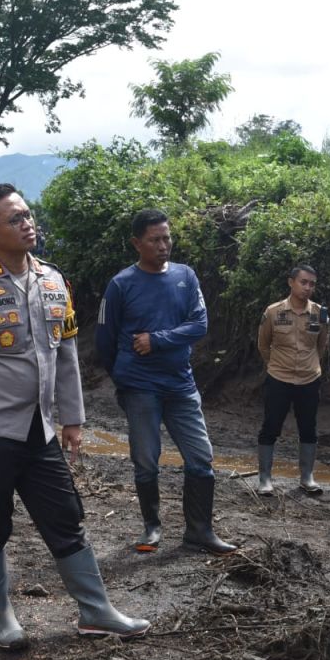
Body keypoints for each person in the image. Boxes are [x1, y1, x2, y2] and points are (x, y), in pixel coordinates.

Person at [0, 183, 149, 649]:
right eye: (14, 219)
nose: (27, 223)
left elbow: (66, 353)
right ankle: (1, 615)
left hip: (41, 431)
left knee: (66, 517)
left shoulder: (53, 281)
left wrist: (71, 418)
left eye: (28, 214)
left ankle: (95, 611)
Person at [95, 209, 237, 555]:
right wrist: (124, 378)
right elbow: (104, 340)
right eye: (155, 240)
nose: (163, 245)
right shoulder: (121, 284)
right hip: (140, 386)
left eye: (167, 238)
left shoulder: (185, 276)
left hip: (180, 384)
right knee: (146, 459)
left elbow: (199, 326)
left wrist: (157, 340)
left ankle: (200, 532)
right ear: (136, 243)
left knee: (200, 456)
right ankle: (152, 527)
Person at [255, 265, 330, 495]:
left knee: (308, 427)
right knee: (271, 426)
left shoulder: (320, 313)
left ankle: (307, 477)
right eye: (303, 282)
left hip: (309, 379)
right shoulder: (273, 312)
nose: (308, 288)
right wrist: (276, 365)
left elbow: (322, 345)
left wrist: (311, 365)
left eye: (312, 284)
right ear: (291, 282)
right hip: (279, 377)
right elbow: (263, 344)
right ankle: (265, 479)